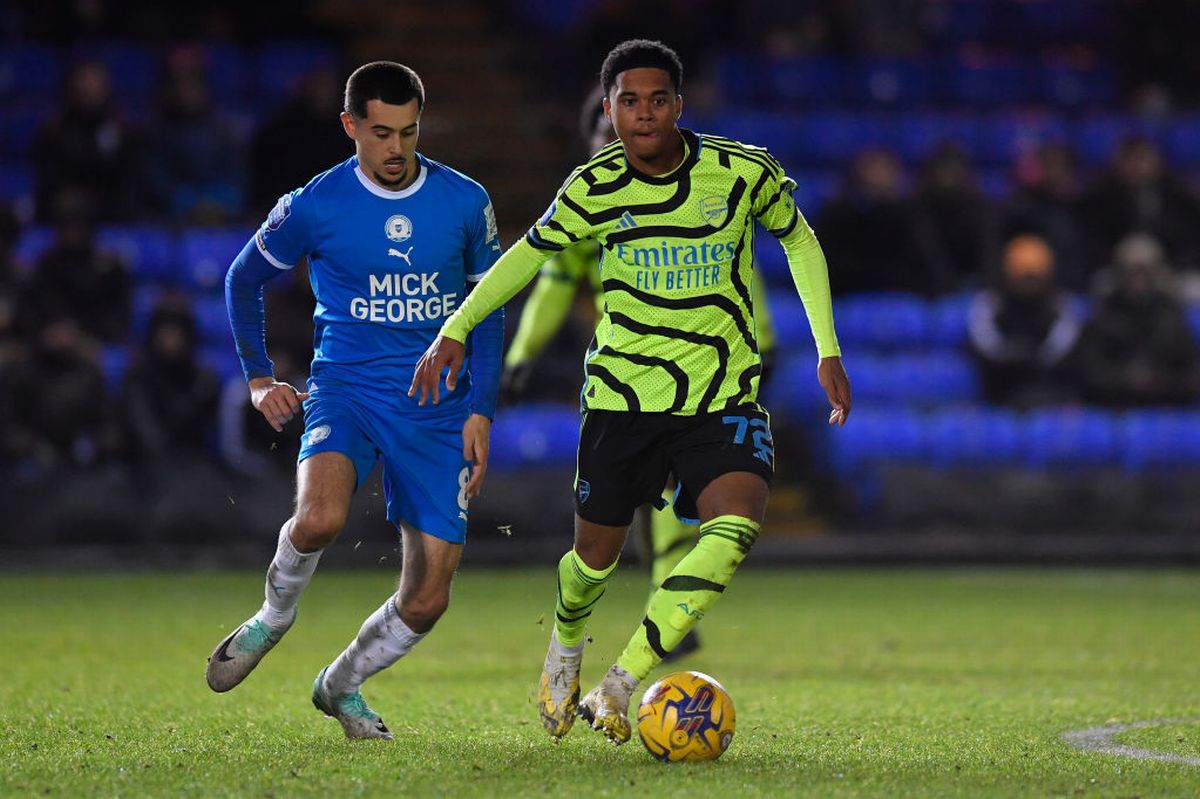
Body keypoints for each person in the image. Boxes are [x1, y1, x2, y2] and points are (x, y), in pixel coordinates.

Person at [411, 40, 850, 745]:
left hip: (721, 391)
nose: (643, 115)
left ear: (678, 104)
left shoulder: (742, 171)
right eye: (628, 102)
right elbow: (530, 257)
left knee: (735, 523)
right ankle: (564, 651)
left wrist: (827, 345)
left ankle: (620, 682)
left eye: (657, 99)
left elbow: (799, 240)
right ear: (608, 108)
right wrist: (456, 329)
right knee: (594, 560)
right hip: (622, 396)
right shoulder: (593, 187)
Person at [205, 62, 505, 741]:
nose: (395, 149)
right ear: (350, 127)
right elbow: (241, 279)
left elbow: (489, 309)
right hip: (348, 385)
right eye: (380, 133)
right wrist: (259, 377)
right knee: (317, 518)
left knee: (428, 598)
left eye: (408, 132)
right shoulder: (315, 203)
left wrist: (481, 408)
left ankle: (340, 685)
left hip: (438, 408)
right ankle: (272, 618)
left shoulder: (464, 201)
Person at [501, 87, 783, 662]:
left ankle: (663, 609)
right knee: (629, 505)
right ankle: (631, 612)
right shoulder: (592, 203)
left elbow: (742, 273)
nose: (617, 148)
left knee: (684, 494)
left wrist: (763, 341)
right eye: (604, 140)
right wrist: (521, 356)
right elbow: (553, 283)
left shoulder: (697, 187)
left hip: (715, 366)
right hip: (630, 379)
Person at [1074, 233, 1200, 407]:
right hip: (1114, 407)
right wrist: (1125, 379)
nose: (1138, 280)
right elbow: (1087, 371)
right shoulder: (1103, 317)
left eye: (1144, 273)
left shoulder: (1172, 318)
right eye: (1132, 272)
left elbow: (1192, 373)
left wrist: (1159, 381)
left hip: (1165, 406)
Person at [967, 234, 1082, 408]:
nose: (1028, 284)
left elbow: (1060, 350)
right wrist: (1015, 355)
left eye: (1034, 277)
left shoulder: (1059, 307)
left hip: (1048, 389)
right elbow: (987, 348)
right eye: (1023, 276)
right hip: (1000, 391)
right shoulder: (992, 304)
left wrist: (1034, 357)